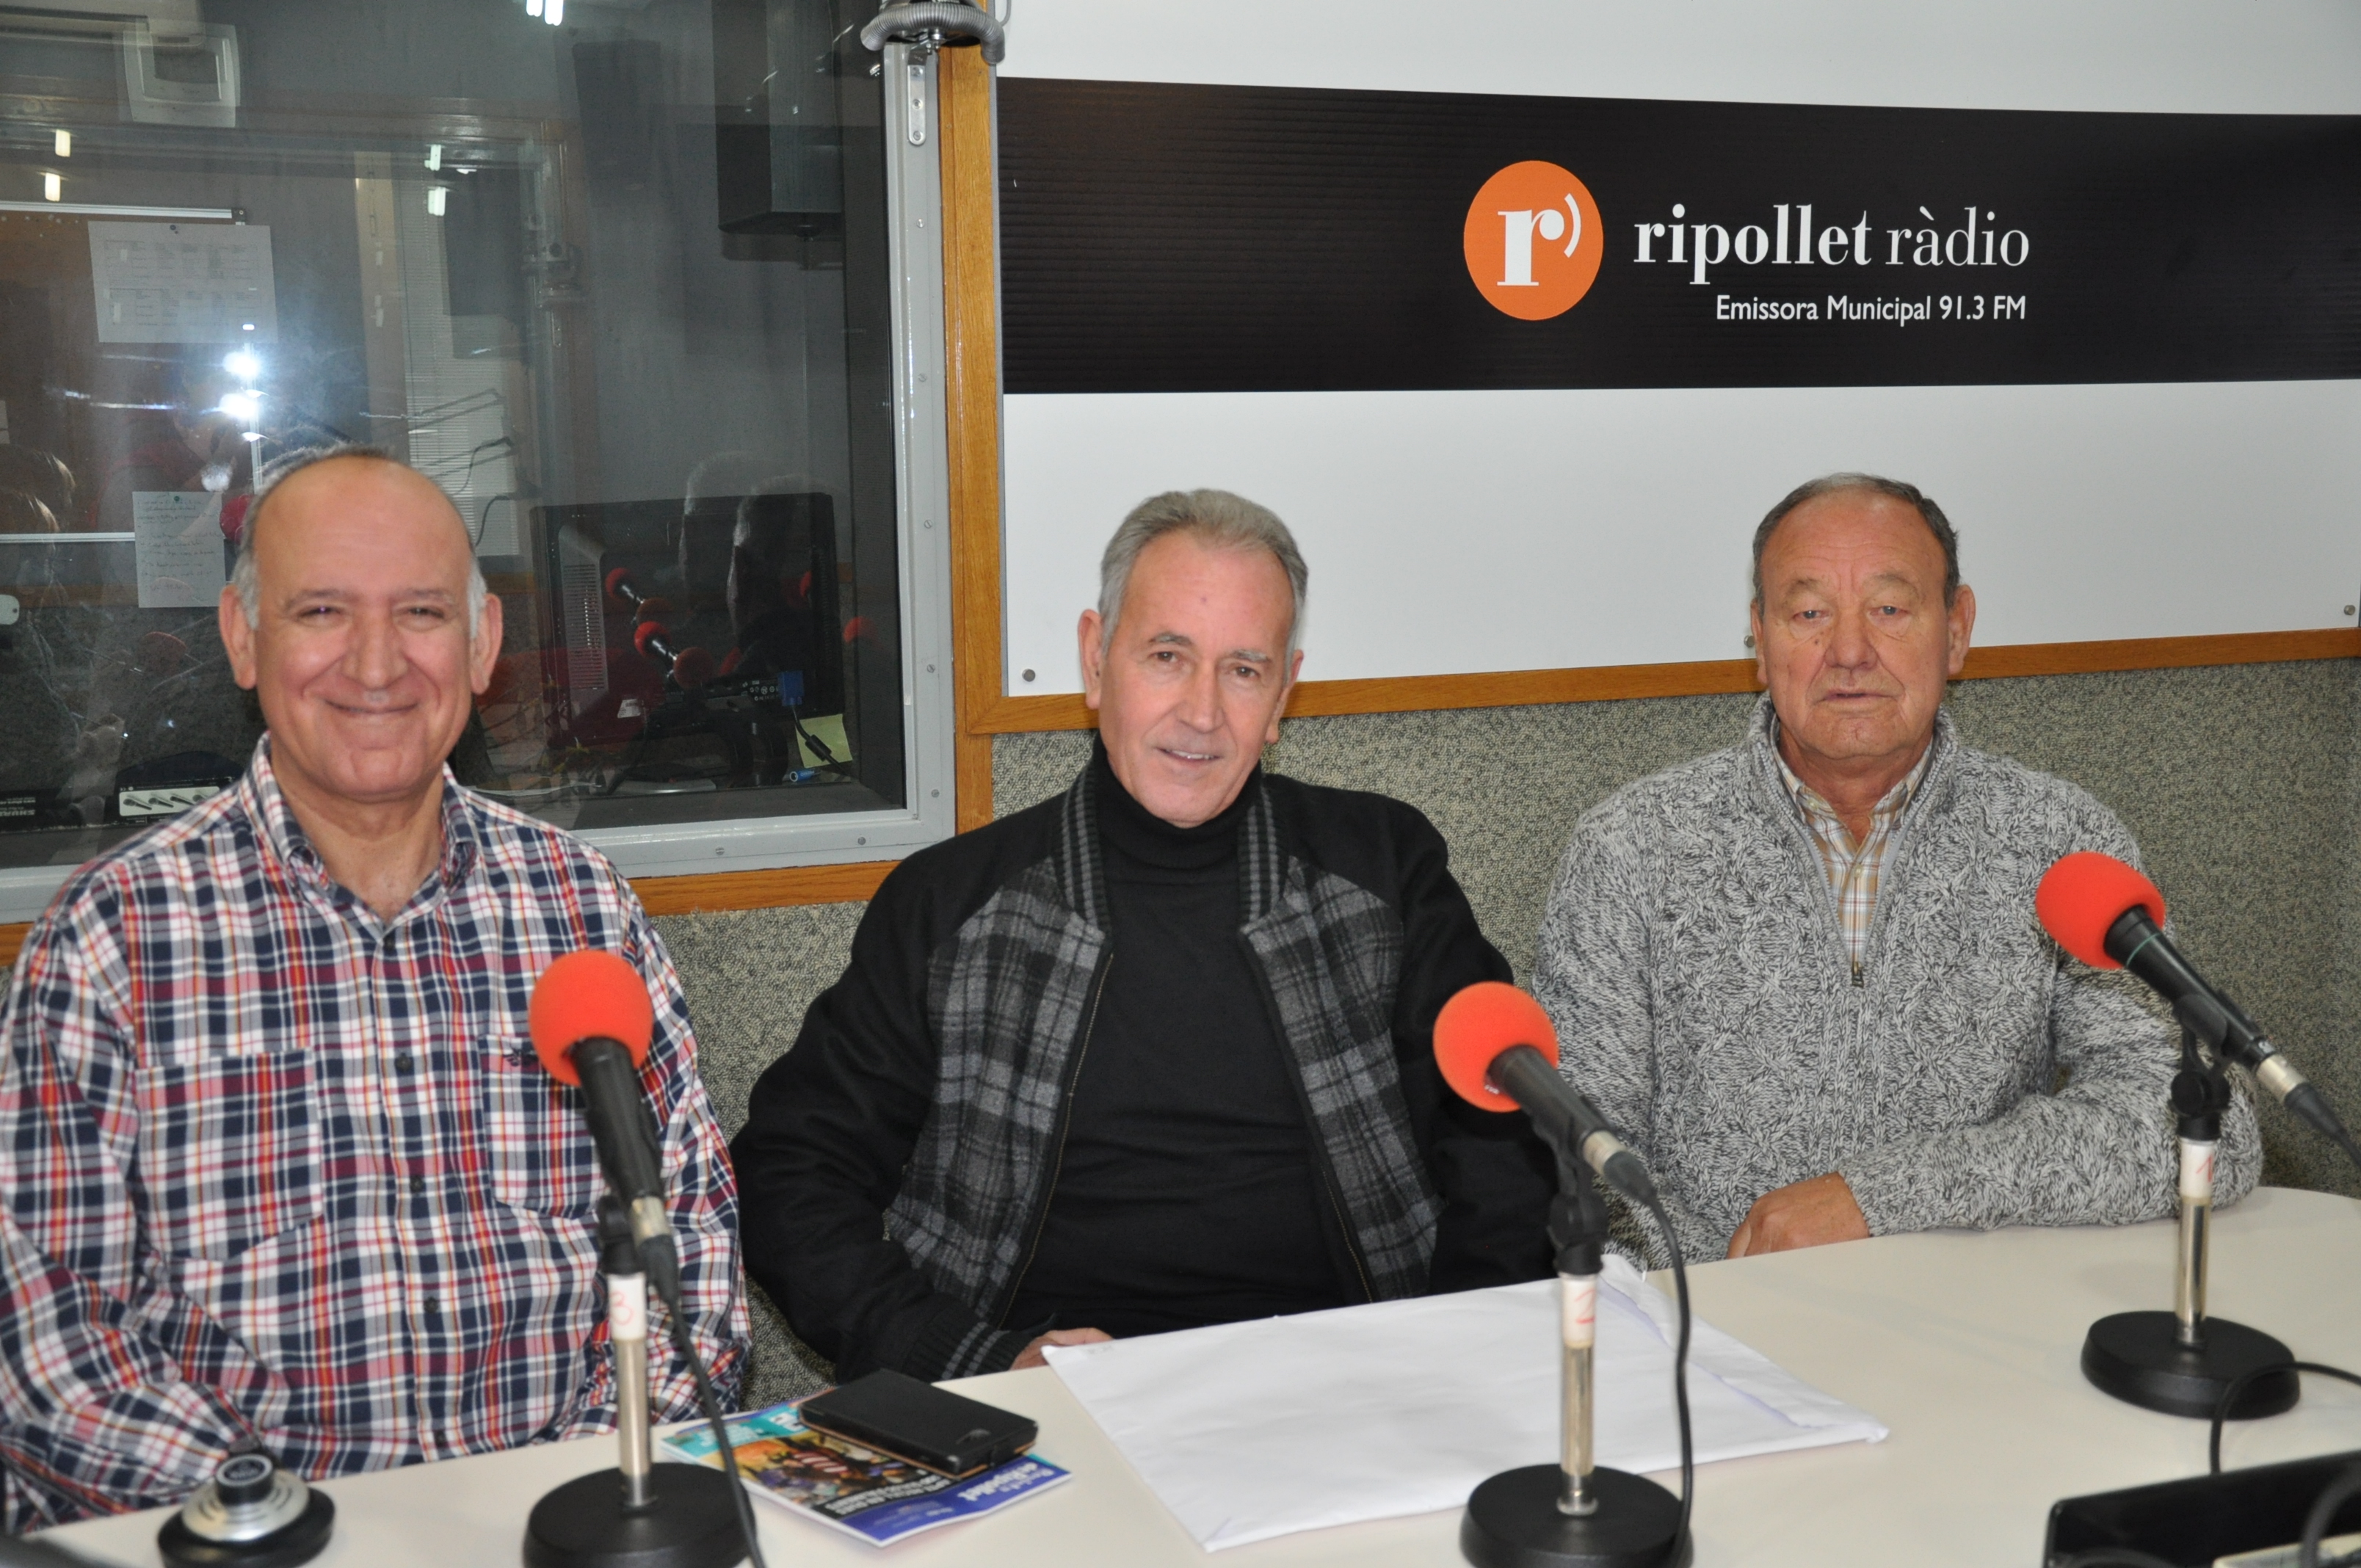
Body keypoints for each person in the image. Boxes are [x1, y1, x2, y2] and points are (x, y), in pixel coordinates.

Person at [0, 445, 746, 1531]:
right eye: (321, 612)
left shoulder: (584, 912)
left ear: (482, 643)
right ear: (241, 638)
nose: (377, 663)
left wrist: (575, 1510)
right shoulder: (111, 941)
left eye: (422, 613)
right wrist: (295, 1535)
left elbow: (696, 1264)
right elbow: (49, 1355)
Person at [733, 489, 1553, 1379]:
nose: (1202, 712)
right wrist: (973, 1358)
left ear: (1284, 692)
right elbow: (790, 1173)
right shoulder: (948, 905)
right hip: (1047, 1408)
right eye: (1168, 656)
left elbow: (1503, 1144)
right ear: (1096, 661)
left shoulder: (1385, 871)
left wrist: (1456, 1355)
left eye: (1244, 671)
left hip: (1346, 1386)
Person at [1533, 473, 2258, 1268]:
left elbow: (2204, 1128)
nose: (1849, 653)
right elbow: (1579, 1152)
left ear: (1957, 631)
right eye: (1809, 614)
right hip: (1716, 1312)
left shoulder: (2063, 843)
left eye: (1889, 609)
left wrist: (1878, 1196)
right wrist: (1710, 1302)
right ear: (1760, 639)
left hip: (1974, 1303)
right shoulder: (1631, 850)